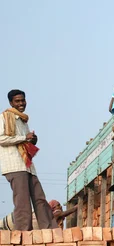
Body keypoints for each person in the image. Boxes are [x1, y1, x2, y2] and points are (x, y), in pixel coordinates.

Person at [0, 90, 56, 231]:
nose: (21, 103)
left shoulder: (23, 120)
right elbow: (1, 139)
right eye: (17, 101)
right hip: (14, 165)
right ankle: (23, 234)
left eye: (23, 100)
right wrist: (24, 138)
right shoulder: (5, 117)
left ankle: (50, 231)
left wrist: (32, 140)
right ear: (11, 103)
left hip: (27, 165)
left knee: (39, 198)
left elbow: (24, 140)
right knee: (23, 202)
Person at [0, 200, 76, 230]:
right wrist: (77, 207)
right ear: (53, 207)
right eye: (58, 205)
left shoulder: (46, 215)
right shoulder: (54, 214)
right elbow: (64, 213)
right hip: (15, 221)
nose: (61, 207)